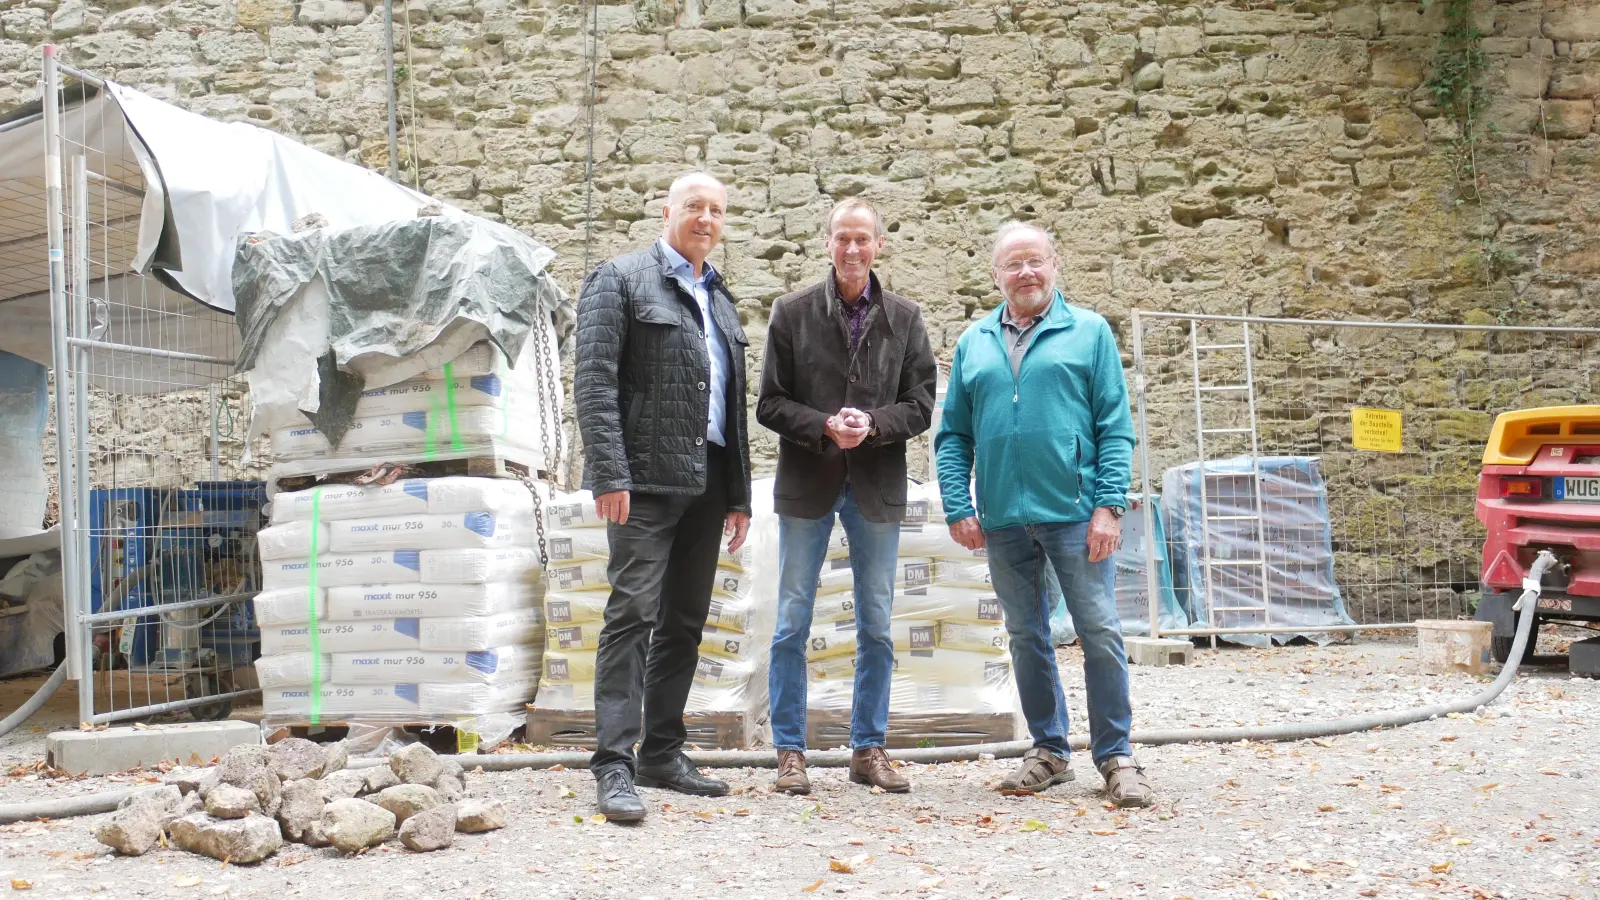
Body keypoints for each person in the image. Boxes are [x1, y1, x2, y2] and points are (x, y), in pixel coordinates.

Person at [932, 222, 1154, 807]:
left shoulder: (1088, 332)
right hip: (1004, 518)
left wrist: (1109, 508)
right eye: (1013, 264)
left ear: (1054, 265)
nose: (1025, 273)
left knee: (1099, 632)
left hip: (1076, 514)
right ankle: (1049, 751)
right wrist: (960, 504)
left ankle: (1116, 756)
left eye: (1035, 261)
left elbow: (1115, 426)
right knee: (1026, 635)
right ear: (996, 275)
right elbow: (952, 434)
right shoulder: (974, 342)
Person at [574, 172, 753, 823]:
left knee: (684, 621)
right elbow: (593, 382)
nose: (705, 217)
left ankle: (661, 751)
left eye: (716, 209)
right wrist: (609, 473)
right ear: (667, 211)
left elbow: (730, 405)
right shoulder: (619, 279)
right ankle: (613, 764)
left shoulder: (721, 300)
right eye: (694, 206)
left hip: (708, 482)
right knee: (631, 616)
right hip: (644, 481)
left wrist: (739, 494)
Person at [757, 198, 937, 795]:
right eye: (843, 239)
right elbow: (771, 403)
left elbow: (921, 405)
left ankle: (869, 748)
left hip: (876, 485)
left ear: (878, 245)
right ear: (828, 244)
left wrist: (875, 426)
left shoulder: (906, 319)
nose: (853, 250)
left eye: (863, 240)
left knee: (878, 625)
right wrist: (823, 426)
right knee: (790, 622)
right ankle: (790, 752)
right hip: (808, 480)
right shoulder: (792, 312)